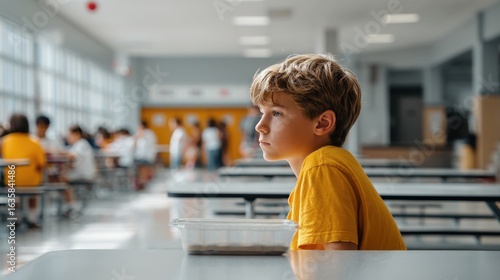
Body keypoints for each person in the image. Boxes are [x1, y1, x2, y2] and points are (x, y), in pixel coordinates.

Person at [250, 53, 406, 250]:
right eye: (262, 113)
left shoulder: (322, 168)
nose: (260, 126)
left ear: (323, 123)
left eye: (277, 113)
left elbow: (337, 269)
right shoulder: (327, 164)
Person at [1, 113, 46, 228]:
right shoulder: (35, 142)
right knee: (33, 192)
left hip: (11, 181)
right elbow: (42, 164)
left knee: (13, 192)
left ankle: (15, 218)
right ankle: (32, 219)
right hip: (31, 182)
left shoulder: (4, 142)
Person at [134, 120, 158, 190]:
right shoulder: (150, 133)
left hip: (145, 156)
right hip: (144, 155)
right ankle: (142, 182)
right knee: (143, 170)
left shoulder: (146, 133)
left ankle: (142, 182)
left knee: (143, 169)